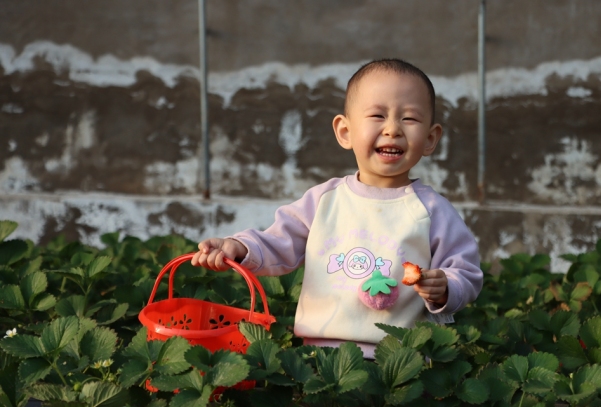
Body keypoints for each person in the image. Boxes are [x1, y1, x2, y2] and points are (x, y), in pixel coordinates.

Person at [192, 59, 483, 358]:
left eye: (409, 119)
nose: (393, 129)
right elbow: (278, 241)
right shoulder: (324, 200)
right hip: (320, 355)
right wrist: (237, 246)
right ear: (345, 131)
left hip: (398, 356)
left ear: (431, 138)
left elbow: (467, 271)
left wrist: (447, 286)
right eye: (377, 115)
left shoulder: (432, 210)